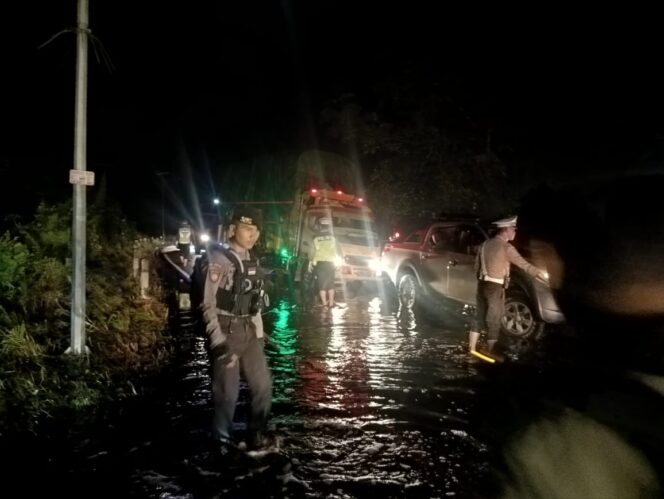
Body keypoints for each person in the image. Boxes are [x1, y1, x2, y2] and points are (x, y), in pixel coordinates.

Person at [200, 207, 273, 451]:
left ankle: (257, 436)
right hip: (225, 331)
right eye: (247, 229)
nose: (252, 235)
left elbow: (255, 303)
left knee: (263, 386)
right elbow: (207, 303)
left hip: (249, 330)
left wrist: (260, 336)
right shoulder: (219, 260)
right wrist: (217, 341)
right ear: (233, 229)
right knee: (227, 394)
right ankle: (221, 444)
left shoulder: (253, 259)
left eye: (256, 230)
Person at [469, 215, 547, 357]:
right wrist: (540, 275)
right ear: (506, 230)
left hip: (482, 284)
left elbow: (476, 268)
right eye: (513, 229)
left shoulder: (485, 244)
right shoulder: (506, 248)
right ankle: (490, 352)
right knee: (495, 318)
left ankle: (472, 349)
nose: (515, 233)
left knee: (479, 316)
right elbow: (524, 264)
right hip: (495, 286)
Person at [309, 216, 338, 308]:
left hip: (320, 263)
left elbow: (311, 252)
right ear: (329, 226)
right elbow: (339, 251)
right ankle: (331, 303)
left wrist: (310, 262)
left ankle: (325, 304)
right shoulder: (333, 238)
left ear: (320, 226)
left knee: (321, 283)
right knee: (330, 283)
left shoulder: (315, 238)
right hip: (331, 263)